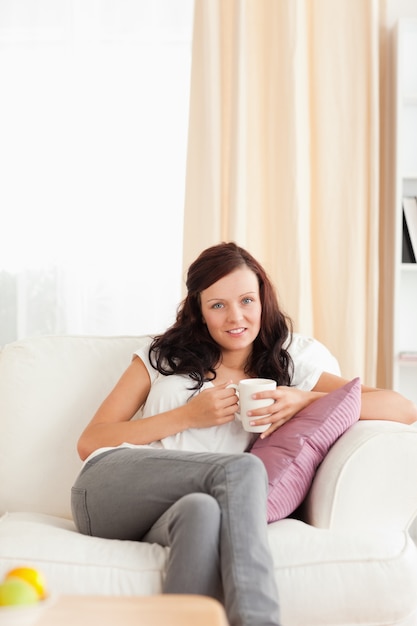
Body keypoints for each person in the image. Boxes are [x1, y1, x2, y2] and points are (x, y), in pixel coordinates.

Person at [71, 242, 417, 626]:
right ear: (199, 312)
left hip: (176, 510)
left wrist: (303, 399)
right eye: (217, 305)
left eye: (247, 300)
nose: (235, 317)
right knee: (243, 471)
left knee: (203, 510)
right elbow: (90, 441)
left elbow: (401, 408)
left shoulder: (292, 363)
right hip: (109, 489)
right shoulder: (161, 357)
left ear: (263, 301)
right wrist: (187, 416)